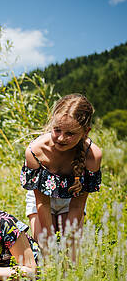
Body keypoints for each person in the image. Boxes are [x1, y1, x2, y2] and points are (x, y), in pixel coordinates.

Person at [20, 94, 102, 248]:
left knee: (71, 251)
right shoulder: (35, 151)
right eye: (57, 130)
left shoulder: (92, 156)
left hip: (71, 200)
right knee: (44, 248)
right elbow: (42, 202)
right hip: (42, 202)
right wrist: (49, 237)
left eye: (70, 134)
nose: (61, 138)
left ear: (86, 132)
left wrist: (69, 239)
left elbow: (78, 205)